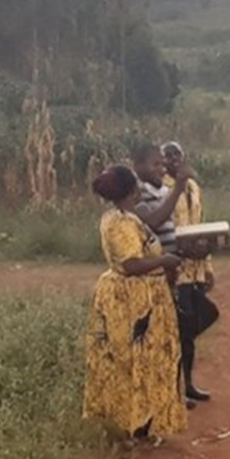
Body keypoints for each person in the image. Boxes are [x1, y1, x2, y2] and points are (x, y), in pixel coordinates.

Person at [83, 164, 186, 443]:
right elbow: (131, 264)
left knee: (140, 361)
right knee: (137, 362)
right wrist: (164, 261)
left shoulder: (121, 217)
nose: (141, 187)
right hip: (133, 300)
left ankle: (141, 423)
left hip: (138, 296)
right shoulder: (121, 223)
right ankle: (136, 425)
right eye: (136, 184)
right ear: (130, 190)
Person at [162, 141, 219, 404]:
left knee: (203, 316)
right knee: (184, 328)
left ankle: (188, 384)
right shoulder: (162, 188)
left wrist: (207, 267)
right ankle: (176, 388)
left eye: (177, 154)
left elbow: (199, 225)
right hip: (176, 268)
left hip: (195, 268)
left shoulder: (193, 186)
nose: (174, 159)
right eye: (168, 155)